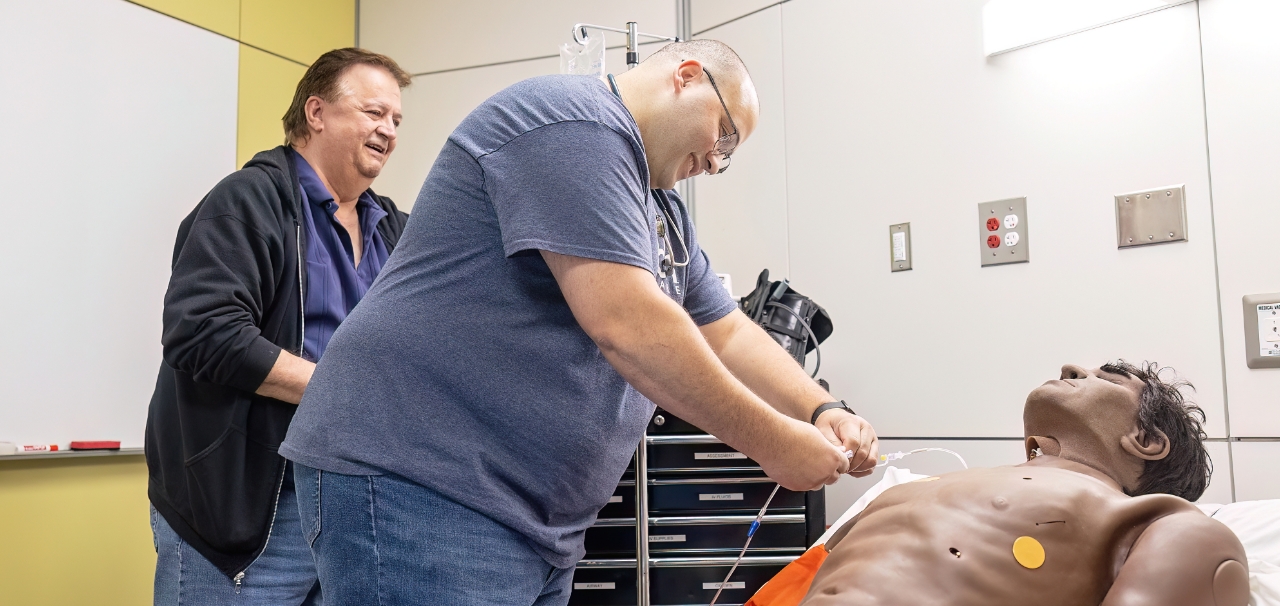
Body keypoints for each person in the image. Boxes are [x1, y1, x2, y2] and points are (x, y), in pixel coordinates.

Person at [278, 40, 880, 605]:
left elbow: (724, 330)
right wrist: (773, 444)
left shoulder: (658, 206)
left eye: (730, 153)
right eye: (723, 135)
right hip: (423, 484)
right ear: (687, 76)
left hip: (532, 521)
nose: (716, 162)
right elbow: (627, 323)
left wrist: (820, 411)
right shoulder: (573, 127)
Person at [144, 48, 412, 605]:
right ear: (316, 112)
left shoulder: (392, 227)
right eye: (372, 112)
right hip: (250, 518)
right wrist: (341, 391)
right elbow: (204, 330)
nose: (387, 129)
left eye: (396, 119)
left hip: (348, 512)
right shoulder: (248, 201)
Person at [744, 361, 1250, 606]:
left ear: (1145, 439)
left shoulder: (1166, 525)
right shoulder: (924, 489)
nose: (1073, 367)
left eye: (1110, 378)